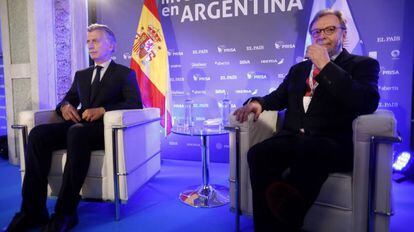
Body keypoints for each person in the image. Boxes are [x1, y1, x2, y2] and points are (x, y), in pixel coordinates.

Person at [233, 9, 380, 231]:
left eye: (330, 30)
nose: (322, 35)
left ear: (343, 34)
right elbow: (280, 96)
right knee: (258, 154)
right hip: (292, 137)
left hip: (330, 142)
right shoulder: (298, 69)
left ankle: (285, 225)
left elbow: (366, 102)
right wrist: (260, 103)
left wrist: (326, 66)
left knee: (309, 152)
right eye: (316, 32)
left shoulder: (362, 65)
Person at [6, 24, 142, 232]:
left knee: (76, 132)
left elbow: (135, 104)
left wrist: (104, 109)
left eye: (95, 40)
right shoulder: (81, 75)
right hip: (77, 127)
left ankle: (65, 213)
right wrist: (65, 106)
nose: (90, 45)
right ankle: (32, 211)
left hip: (102, 131)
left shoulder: (125, 74)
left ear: (111, 45)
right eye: (88, 41)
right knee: (38, 134)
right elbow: (67, 100)